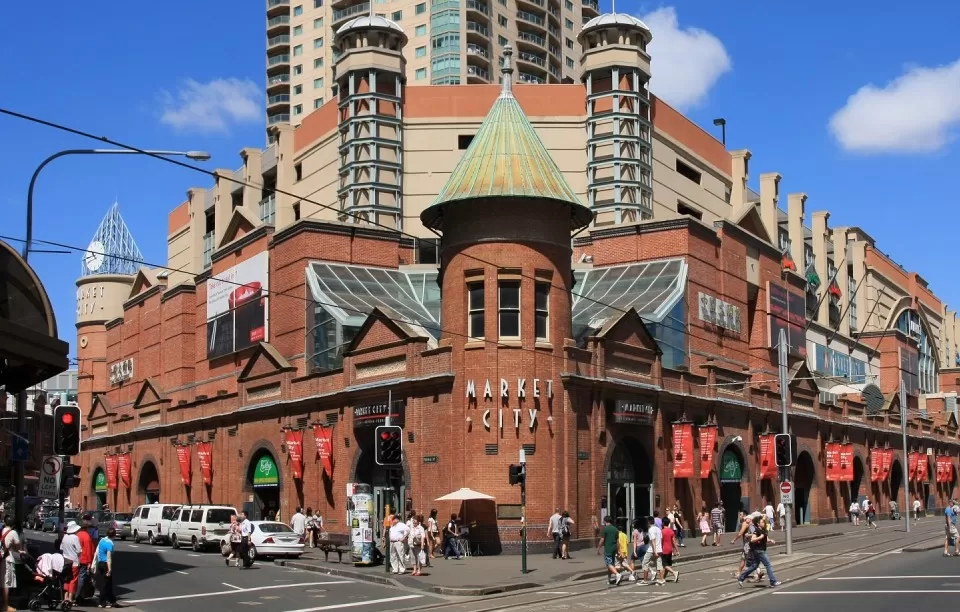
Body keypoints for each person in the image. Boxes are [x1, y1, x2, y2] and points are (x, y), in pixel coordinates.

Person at [736, 516, 781, 588]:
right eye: (762, 522)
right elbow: (752, 540)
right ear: (758, 524)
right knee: (768, 565)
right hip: (758, 550)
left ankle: (741, 578)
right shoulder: (757, 531)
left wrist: (770, 540)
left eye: (764, 522)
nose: (763, 523)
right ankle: (773, 581)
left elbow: (766, 538)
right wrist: (760, 537)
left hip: (761, 550)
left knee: (754, 566)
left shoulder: (764, 530)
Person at [94, 527, 118, 608]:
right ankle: (102, 602)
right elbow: (109, 558)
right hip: (105, 564)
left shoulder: (102, 540)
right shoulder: (110, 544)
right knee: (105, 584)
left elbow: (98, 551)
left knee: (108, 584)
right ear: (114, 535)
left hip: (100, 563)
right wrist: (109, 569)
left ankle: (113, 601)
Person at [1, 516, 21, 612]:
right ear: (13, 525)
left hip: (1, 558)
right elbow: (18, 547)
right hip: (7, 559)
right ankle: (5, 606)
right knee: (6, 583)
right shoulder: (13, 533)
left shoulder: (1, 530)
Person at [61, 521, 82, 605]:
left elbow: (61, 548)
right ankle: (70, 598)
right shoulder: (75, 538)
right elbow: (79, 550)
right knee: (73, 580)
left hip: (65, 561)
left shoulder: (65, 536)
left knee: (66, 579)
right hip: (74, 562)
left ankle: (65, 597)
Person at [76, 515, 95, 604]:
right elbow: (88, 551)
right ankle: (78, 596)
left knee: (76, 577)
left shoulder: (78, 534)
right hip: (84, 560)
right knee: (82, 578)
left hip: (77, 559)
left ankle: (75, 595)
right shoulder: (86, 537)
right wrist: (89, 563)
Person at [597, 515, 622, 585]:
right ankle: (609, 579)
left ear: (605, 521)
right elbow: (618, 541)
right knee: (611, 564)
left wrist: (598, 548)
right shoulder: (615, 529)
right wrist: (618, 550)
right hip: (614, 548)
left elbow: (602, 540)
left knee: (609, 564)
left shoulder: (605, 529)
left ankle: (617, 574)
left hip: (608, 549)